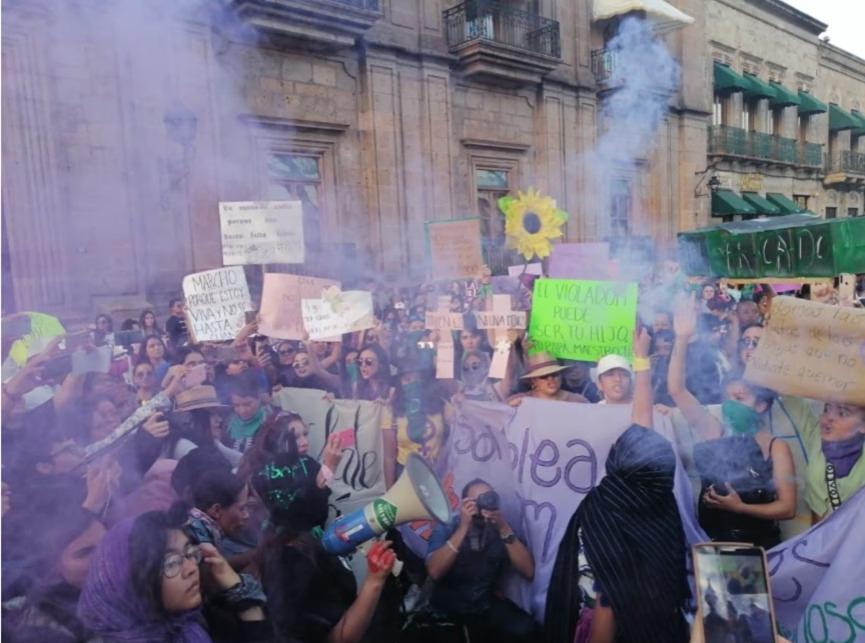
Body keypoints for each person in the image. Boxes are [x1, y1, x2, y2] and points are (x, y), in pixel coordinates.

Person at [546, 328, 691, 643]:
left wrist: (640, 360)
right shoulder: (661, 500)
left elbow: (606, 594)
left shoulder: (601, 504)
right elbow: (643, 430)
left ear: (616, 460)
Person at [669, 295, 796, 548]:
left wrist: (741, 507)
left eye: (739, 398)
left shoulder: (775, 448)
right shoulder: (714, 431)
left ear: (761, 404)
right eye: (727, 398)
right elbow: (677, 390)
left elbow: (787, 507)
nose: (730, 405)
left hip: (760, 550)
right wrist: (682, 338)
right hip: (711, 548)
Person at [254, 452, 398, 643]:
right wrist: (375, 580)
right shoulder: (293, 569)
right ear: (300, 501)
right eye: (319, 484)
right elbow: (338, 638)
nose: (327, 492)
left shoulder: (290, 536)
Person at [77, 509, 270, 643]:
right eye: (171, 563)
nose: (191, 568)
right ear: (129, 583)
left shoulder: (186, 623)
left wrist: (238, 591)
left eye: (190, 552)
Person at [425, 479, 537, 642]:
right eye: (477, 501)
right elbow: (434, 571)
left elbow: (529, 570)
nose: (484, 504)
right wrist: (464, 527)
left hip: (483, 605)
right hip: (446, 609)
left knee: (527, 629)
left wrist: (503, 527)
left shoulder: (500, 526)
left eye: (488, 497)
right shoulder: (448, 525)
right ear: (464, 504)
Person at [507, 352, 588, 406]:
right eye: (544, 376)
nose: (551, 380)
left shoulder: (578, 401)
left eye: (555, 374)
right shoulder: (518, 401)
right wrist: (510, 410)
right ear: (534, 381)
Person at [224, 372, 273, 454]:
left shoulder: (272, 422)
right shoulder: (227, 424)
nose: (242, 411)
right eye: (236, 405)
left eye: (247, 404)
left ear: (259, 398)